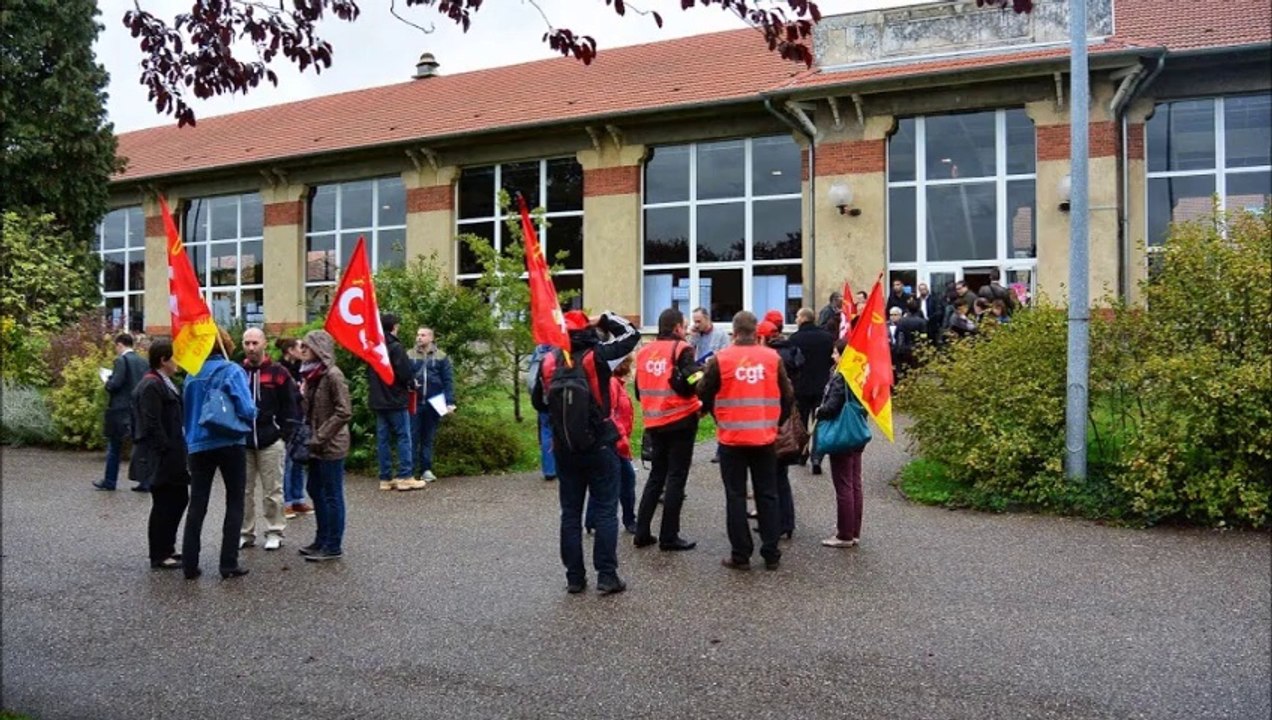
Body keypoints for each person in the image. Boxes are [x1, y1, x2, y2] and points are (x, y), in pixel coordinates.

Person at [530, 310, 640, 595]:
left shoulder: (549, 361)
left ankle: (575, 578)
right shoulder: (599, 356)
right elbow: (632, 334)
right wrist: (604, 318)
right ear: (587, 331)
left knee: (570, 513)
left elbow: (539, 403)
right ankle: (607, 576)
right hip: (599, 444)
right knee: (605, 510)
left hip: (564, 448)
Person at [697, 311, 795, 571]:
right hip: (764, 437)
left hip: (731, 439)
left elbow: (704, 392)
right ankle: (771, 553)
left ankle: (740, 554)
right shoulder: (772, 359)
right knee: (768, 495)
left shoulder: (722, 359)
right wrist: (775, 421)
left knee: (736, 496)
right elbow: (787, 396)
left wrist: (716, 415)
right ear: (755, 332)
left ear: (734, 331)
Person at [182, 327, 256, 580]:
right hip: (229, 442)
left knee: (197, 503)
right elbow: (246, 408)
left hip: (198, 445)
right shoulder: (232, 370)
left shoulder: (191, 374)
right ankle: (228, 563)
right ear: (224, 344)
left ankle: (190, 564)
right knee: (234, 501)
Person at [632, 308, 701, 552]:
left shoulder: (644, 352)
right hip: (681, 420)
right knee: (676, 477)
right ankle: (668, 536)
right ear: (677, 328)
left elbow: (639, 391)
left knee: (656, 476)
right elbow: (693, 380)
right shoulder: (682, 349)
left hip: (654, 421)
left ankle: (641, 532)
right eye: (683, 325)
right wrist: (701, 377)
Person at [130, 340, 190, 569]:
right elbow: (151, 423)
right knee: (164, 503)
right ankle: (159, 553)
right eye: (175, 357)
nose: (179, 362)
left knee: (178, 499)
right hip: (162, 457)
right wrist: (165, 448)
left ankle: (168, 548)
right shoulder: (151, 386)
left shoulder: (165, 383)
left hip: (173, 454)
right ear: (164, 359)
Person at [239, 328, 299, 551]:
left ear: (264, 343)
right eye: (247, 343)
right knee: (243, 490)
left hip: (270, 440)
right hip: (243, 441)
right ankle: (246, 531)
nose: (251, 348)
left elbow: (290, 406)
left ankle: (275, 530)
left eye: (255, 343)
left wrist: (283, 435)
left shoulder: (279, 372)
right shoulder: (238, 372)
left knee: (272, 490)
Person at [297, 330, 353, 562]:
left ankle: (333, 545)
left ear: (319, 349)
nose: (303, 351)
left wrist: (320, 436)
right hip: (315, 444)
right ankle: (321, 538)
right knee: (315, 490)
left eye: (307, 347)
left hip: (330, 444)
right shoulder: (312, 375)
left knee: (331, 494)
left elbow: (344, 411)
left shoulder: (332, 375)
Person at [817, 339, 870, 548]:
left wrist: (820, 411)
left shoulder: (841, 376)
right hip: (857, 431)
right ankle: (854, 531)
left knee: (844, 484)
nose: (832, 357)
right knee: (855, 483)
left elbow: (832, 406)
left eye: (835, 353)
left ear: (843, 355)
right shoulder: (860, 373)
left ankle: (844, 534)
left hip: (842, 434)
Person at [758, 310, 802, 540]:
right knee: (781, 476)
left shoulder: (768, 359)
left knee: (770, 477)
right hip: (786, 419)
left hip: (770, 423)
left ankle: (774, 523)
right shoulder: (791, 350)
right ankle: (787, 521)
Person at [369, 313, 422, 491]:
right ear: (394, 327)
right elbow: (405, 372)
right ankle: (405, 475)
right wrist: (412, 383)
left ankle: (385, 478)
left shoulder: (374, 347)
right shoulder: (395, 347)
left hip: (378, 399)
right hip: (395, 398)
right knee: (403, 436)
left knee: (383, 438)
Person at [587, 355, 638, 535]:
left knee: (605, 480)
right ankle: (630, 520)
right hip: (616, 442)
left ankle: (591, 518)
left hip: (615, 440)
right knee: (626, 481)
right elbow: (612, 415)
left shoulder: (615, 384)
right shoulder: (613, 384)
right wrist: (622, 440)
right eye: (630, 365)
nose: (632, 369)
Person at [93, 333, 148, 492]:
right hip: (139, 407)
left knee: (114, 446)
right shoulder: (143, 362)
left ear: (120, 345)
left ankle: (110, 481)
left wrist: (107, 381)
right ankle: (145, 481)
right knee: (140, 445)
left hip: (120, 409)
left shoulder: (120, 361)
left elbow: (115, 384)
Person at [787, 307, 835, 475]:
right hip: (822, 386)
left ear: (803, 319)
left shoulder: (794, 339)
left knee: (800, 421)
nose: (795, 320)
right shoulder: (827, 338)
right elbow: (832, 360)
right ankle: (817, 457)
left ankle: (802, 452)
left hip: (801, 386)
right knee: (819, 422)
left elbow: (792, 363)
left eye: (797, 317)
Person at [409, 326, 456, 484]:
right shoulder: (409, 355)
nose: (419, 337)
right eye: (418, 335)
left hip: (434, 403)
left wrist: (450, 402)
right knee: (412, 437)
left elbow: (448, 380)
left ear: (431, 337)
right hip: (414, 402)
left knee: (428, 437)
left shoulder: (441, 357)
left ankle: (426, 469)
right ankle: (410, 471)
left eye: (422, 335)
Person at [275, 337, 313, 518]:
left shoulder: (301, 368)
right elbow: (287, 396)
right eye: (300, 347)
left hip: (301, 416)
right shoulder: (280, 370)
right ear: (290, 350)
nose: (303, 350)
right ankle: (286, 501)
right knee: (288, 460)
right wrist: (300, 392)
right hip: (288, 418)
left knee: (300, 457)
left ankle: (298, 498)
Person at [688, 306, 730, 463]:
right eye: (694, 321)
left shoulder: (720, 335)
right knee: (692, 416)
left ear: (707, 318)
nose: (696, 324)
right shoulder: (695, 335)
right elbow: (688, 354)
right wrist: (692, 338)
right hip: (698, 379)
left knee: (718, 415)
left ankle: (722, 449)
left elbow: (725, 356)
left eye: (699, 321)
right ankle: (686, 450)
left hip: (714, 380)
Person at [526, 343, 557, 482]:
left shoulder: (539, 350)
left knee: (546, 432)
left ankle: (549, 469)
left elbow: (531, 378)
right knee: (562, 431)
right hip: (560, 398)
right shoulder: (563, 349)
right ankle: (563, 467)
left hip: (543, 399)